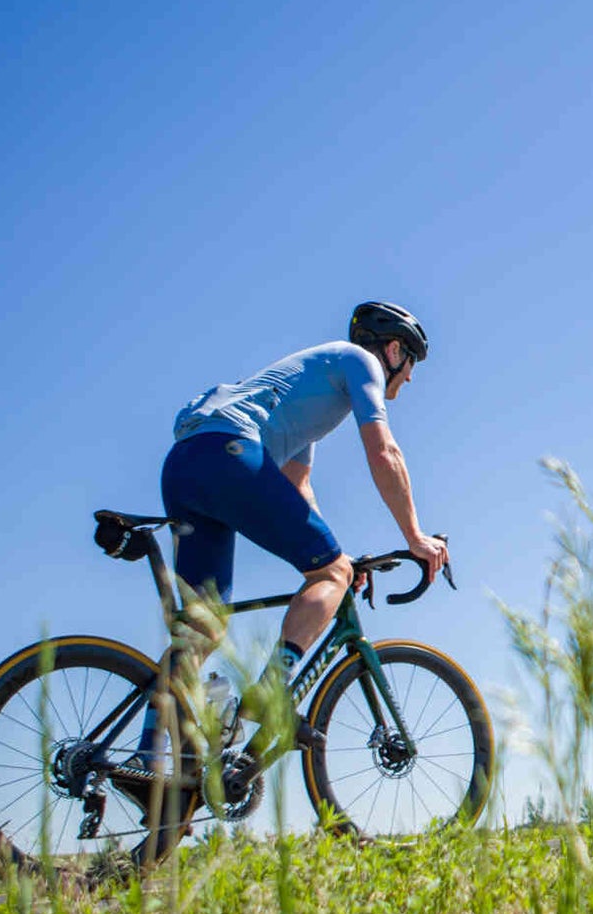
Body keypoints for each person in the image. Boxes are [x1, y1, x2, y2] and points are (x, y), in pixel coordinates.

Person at [123, 301, 448, 770]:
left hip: (186, 465)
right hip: (229, 452)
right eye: (411, 363)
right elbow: (384, 452)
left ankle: (146, 761)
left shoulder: (306, 399)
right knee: (327, 571)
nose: (410, 378)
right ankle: (271, 694)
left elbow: (299, 492)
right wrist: (415, 537)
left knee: (204, 627)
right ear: (394, 350)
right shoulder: (360, 362)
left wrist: (339, 561)